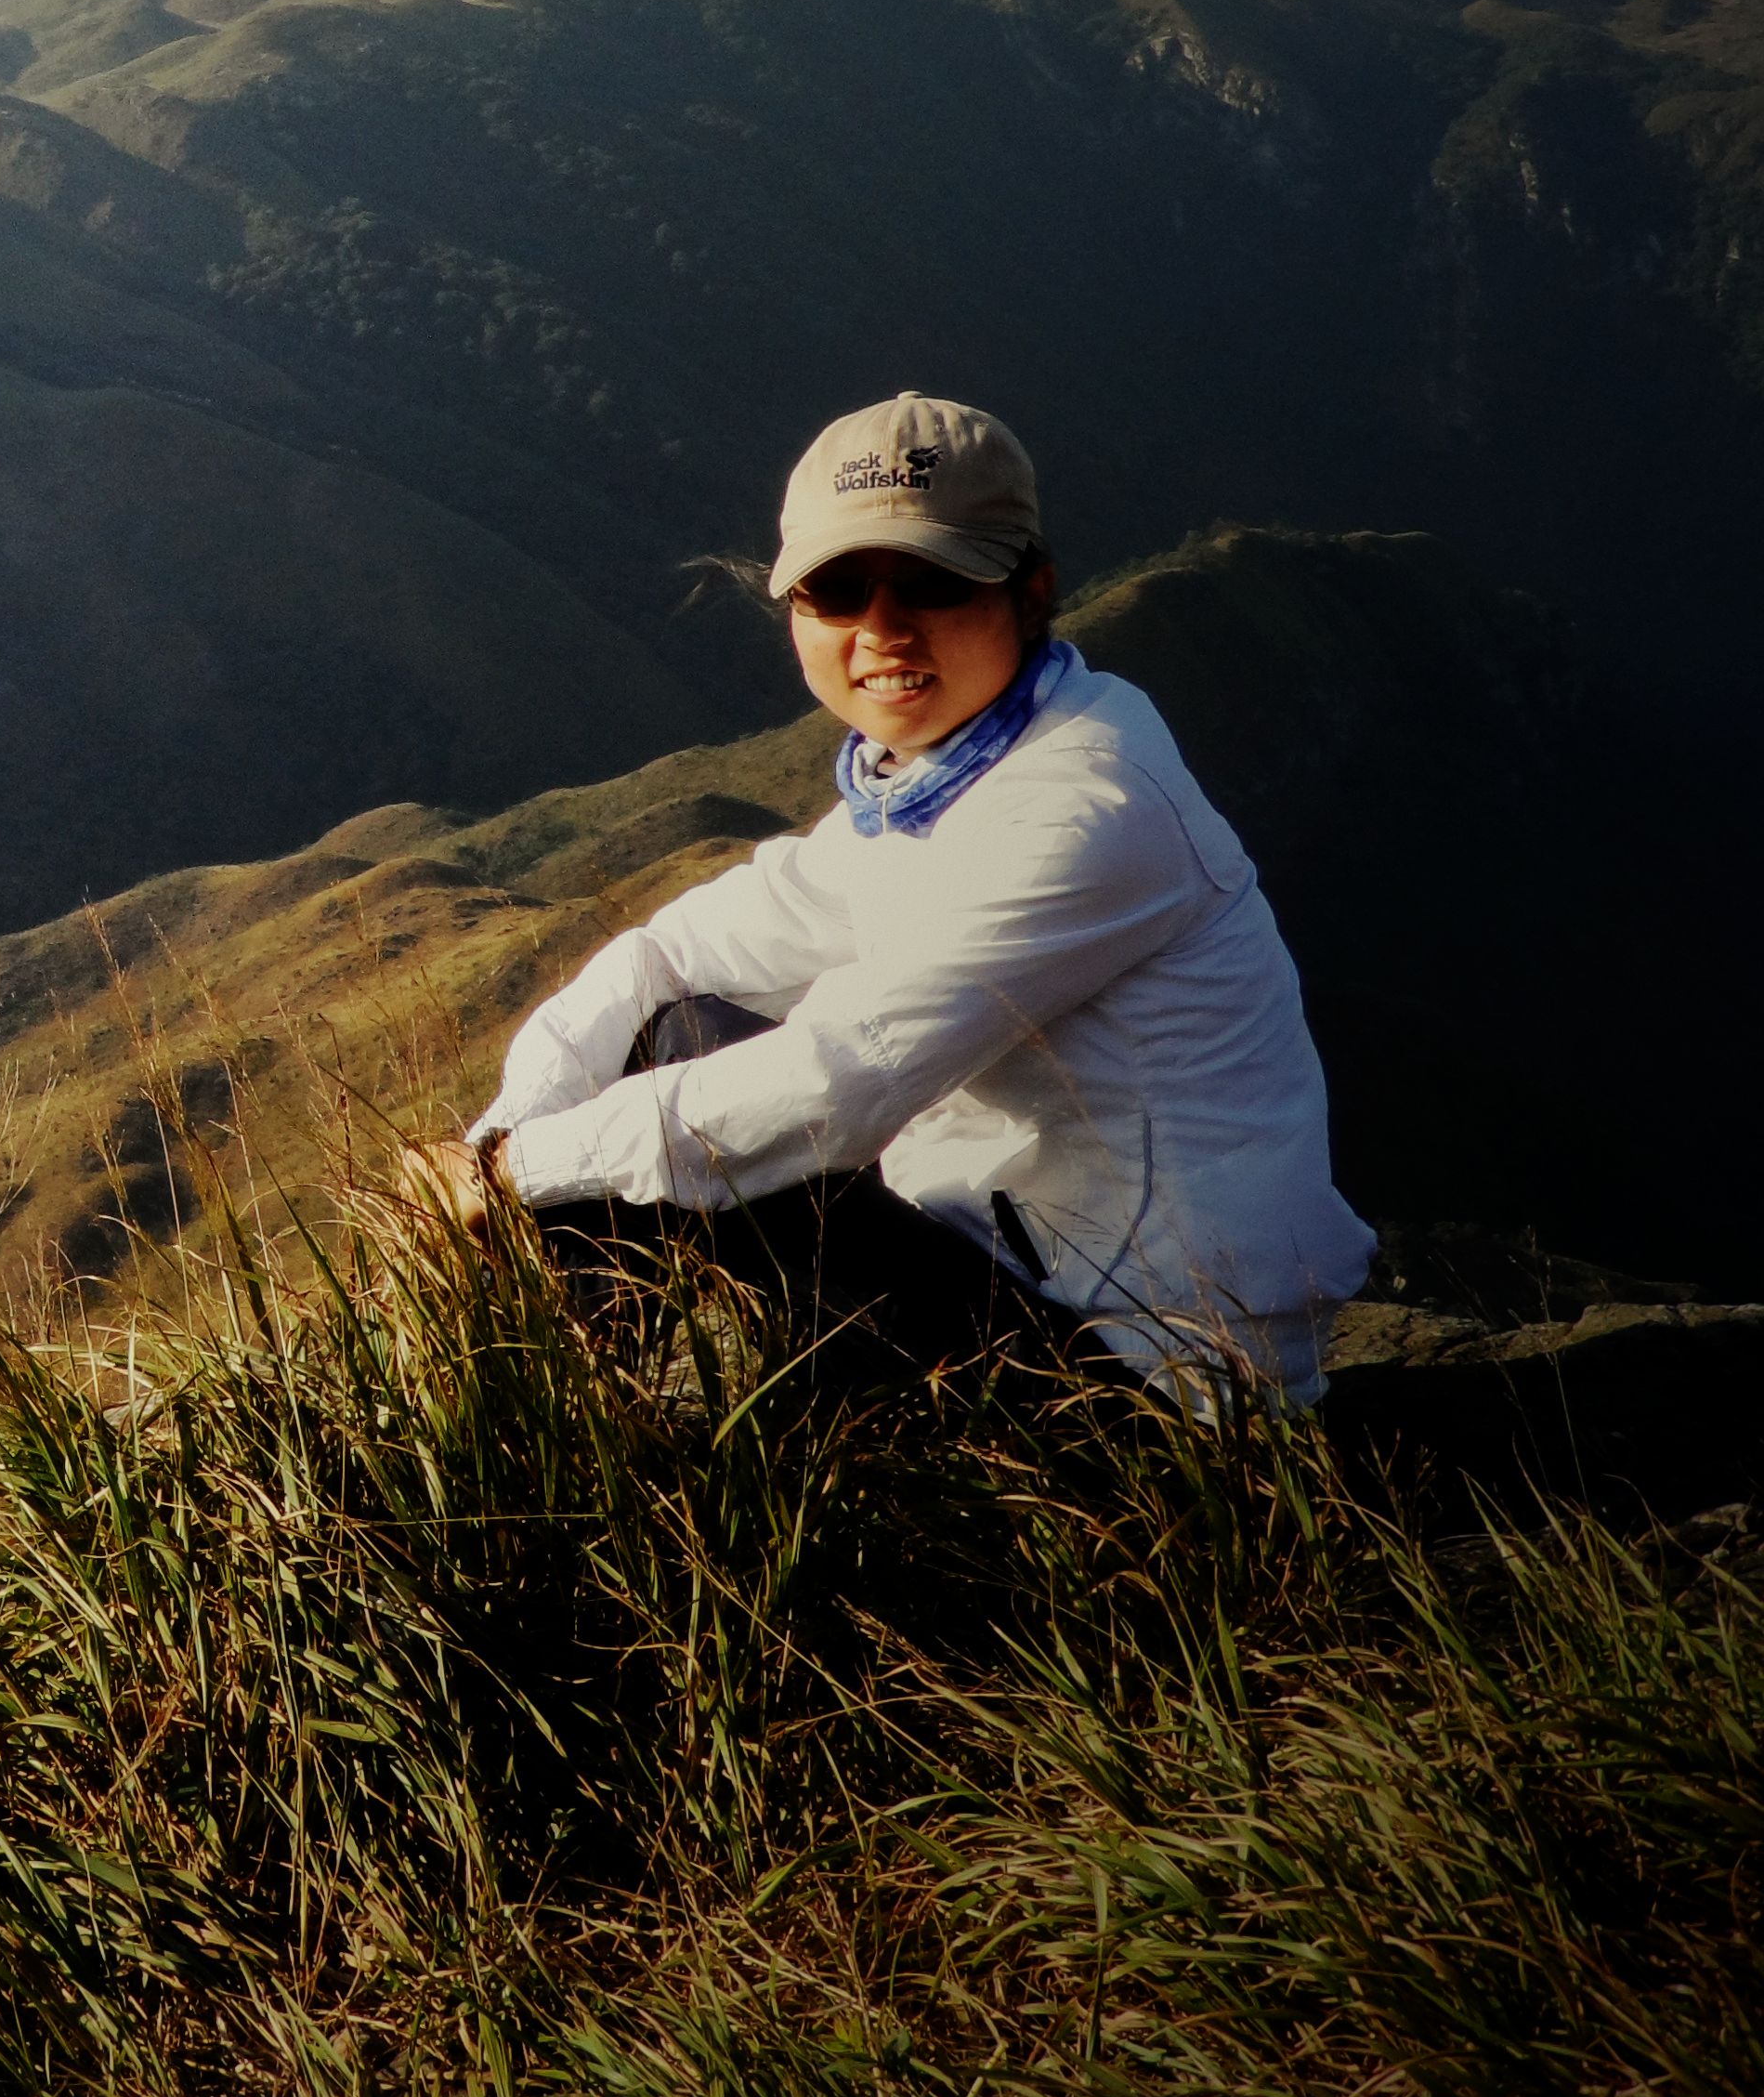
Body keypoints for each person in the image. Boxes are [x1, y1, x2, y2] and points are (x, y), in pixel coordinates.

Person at [421, 393, 1376, 1408]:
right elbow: (666, 956)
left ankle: (555, 1428)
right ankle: (568, 1414)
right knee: (682, 1031)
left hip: (1151, 1375)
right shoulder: (937, 777)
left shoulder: (1085, 806)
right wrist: (498, 1141)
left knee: (713, 1121)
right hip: (1014, 1276)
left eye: (931, 579)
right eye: (838, 588)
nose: (882, 626)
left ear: (1031, 590)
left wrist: (514, 1173)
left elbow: (840, 1079)